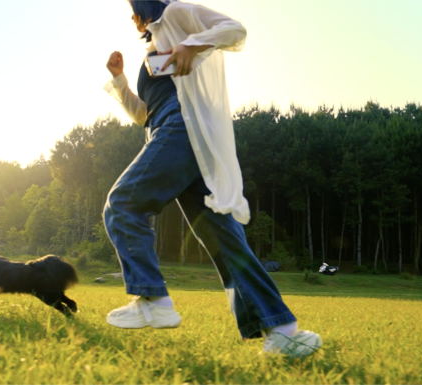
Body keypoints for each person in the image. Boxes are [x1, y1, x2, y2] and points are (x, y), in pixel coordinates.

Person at [102, 0, 322, 358]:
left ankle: (151, 297)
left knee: (122, 203)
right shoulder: (154, 45)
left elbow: (235, 30)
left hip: (181, 129)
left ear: (142, 8)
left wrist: (192, 45)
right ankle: (282, 331)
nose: (130, 18)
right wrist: (120, 79)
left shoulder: (174, 15)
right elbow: (144, 114)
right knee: (226, 242)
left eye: (132, 8)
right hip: (172, 133)